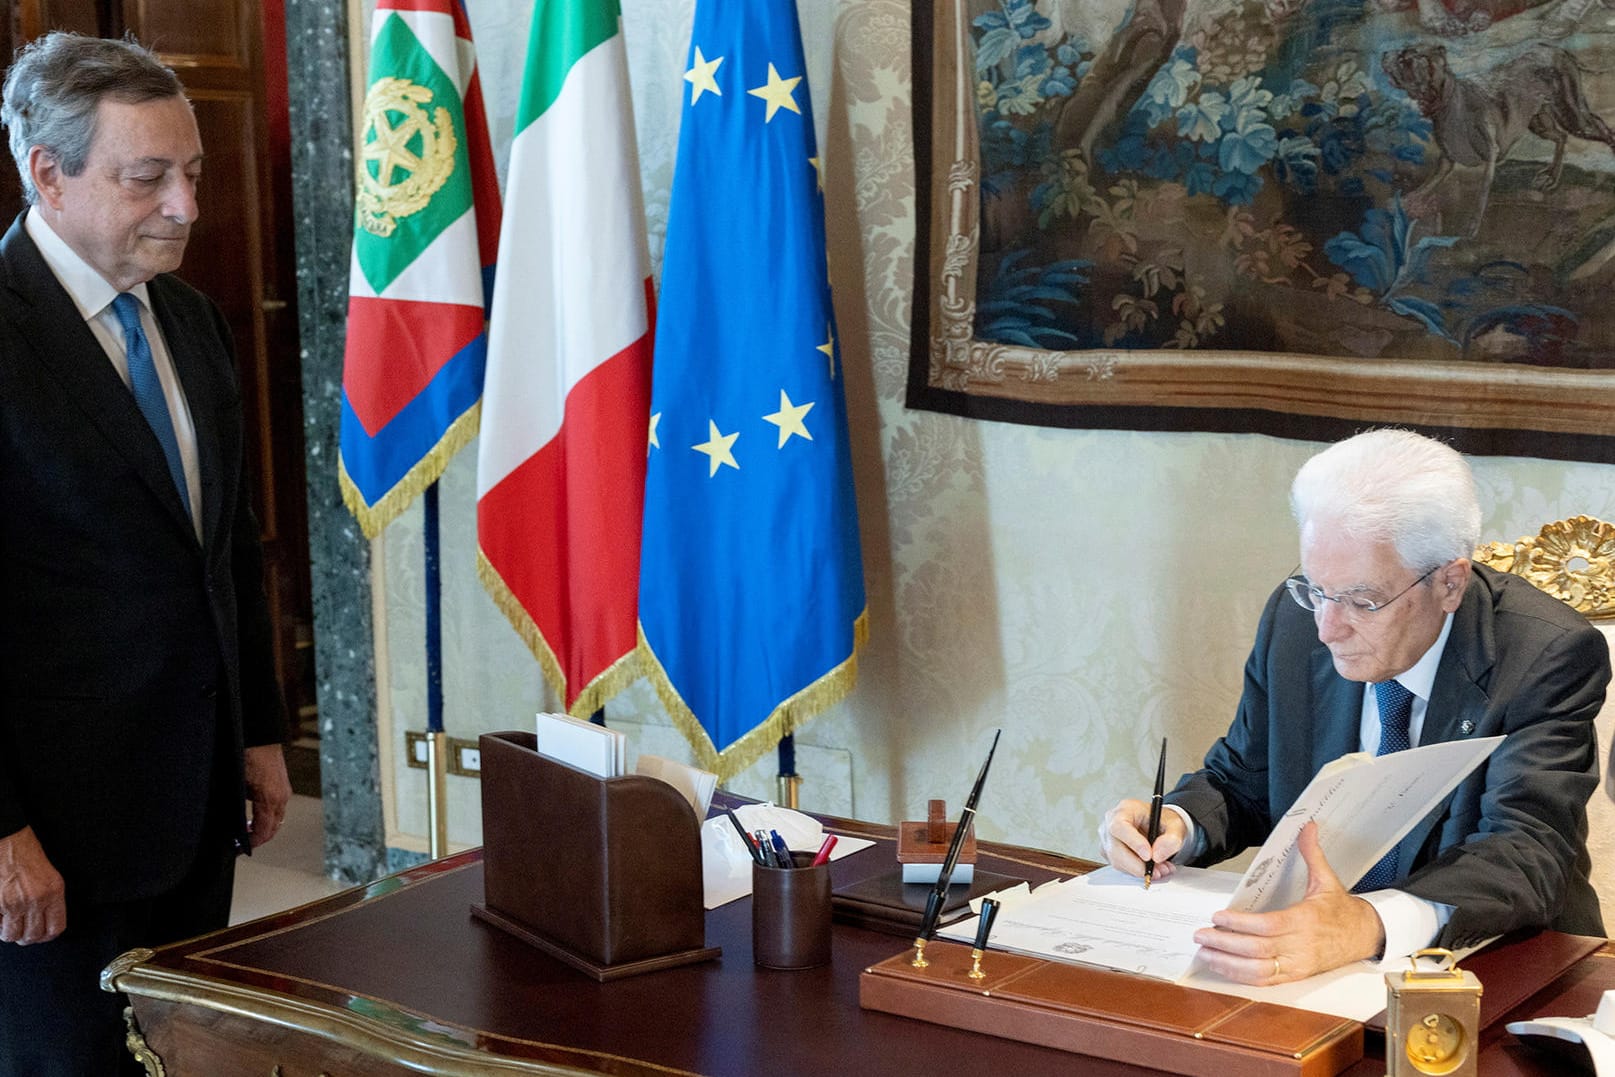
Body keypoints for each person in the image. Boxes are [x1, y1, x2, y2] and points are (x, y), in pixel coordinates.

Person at [0, 32, 291, 1075]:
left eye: (194, 173)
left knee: (177, 1057)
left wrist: (259, 731)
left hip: (194, 801)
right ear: (49, 172)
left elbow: (223, 553)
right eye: (148, 178)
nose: (187, 206)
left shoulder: (196, 323)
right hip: (53, 835)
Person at [1101, 429, 1609, 986]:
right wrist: (1176, 823)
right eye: (1317, 589)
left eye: (1363, 601)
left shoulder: (1545, 655)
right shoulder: (1294, 619)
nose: (1327, 627)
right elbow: (1245, 779)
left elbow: (1526, 851)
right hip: (1322, 969)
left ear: (1449, 583)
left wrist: (1365, 924)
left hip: (1497, 964)